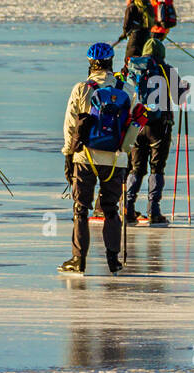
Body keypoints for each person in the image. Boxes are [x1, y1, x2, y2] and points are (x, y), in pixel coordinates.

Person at [61, 42, 143, 274]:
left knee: (81, 209)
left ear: (90, 64)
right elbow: (132, 126)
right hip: (115, 160)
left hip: (85, 157)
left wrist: (68, 155)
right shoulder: (126, 89)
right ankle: (112, 260)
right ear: (111, 62)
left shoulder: (81, 88)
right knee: (110, 211)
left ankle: (79, 260)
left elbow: (70, 125)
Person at [120, 29, 183, 225]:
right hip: (159, 126)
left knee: (136, 168)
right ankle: (153, 211)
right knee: (157, 167)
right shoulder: (166, 69)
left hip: (137, 124)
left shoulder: (131, 69)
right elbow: (180, 97)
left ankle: (127, 208)